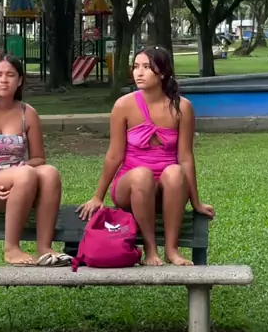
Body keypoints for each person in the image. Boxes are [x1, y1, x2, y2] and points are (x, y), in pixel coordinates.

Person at [78, 46, 215, 266]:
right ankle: (150, 249)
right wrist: (97, 196)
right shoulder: (123, 105)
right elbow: (114, 155)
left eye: (146, 67)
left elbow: (186, 158)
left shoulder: (182, 107)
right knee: (142, 174)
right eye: (135, 67)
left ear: (162, 73)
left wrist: (196, 202)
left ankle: (172, 249)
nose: (138, 73)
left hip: (167, 190)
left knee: (175, 170)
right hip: (131, 186)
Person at [0, 53, 69, 267]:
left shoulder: (28, 113)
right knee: (25, 174)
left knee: (50, 172)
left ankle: (44, 248)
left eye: (10, 75)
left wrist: (21, 168)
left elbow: (39, 158)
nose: (4, 80)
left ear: (19, 81)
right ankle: (11, 248)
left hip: (22, 180)